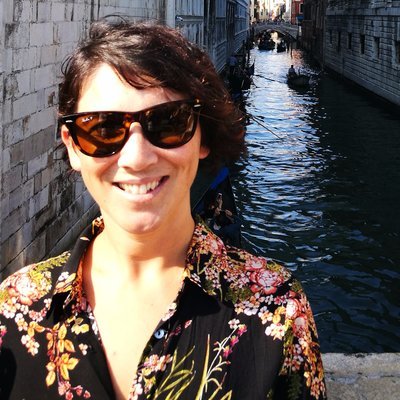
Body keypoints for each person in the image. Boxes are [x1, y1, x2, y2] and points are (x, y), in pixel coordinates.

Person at [0, 19, 327, 400]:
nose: (137, 158)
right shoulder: (14, 307)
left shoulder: (277, 309)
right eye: (103, 129)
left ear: (203, 137)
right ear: (73, 146)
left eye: (169, 122)